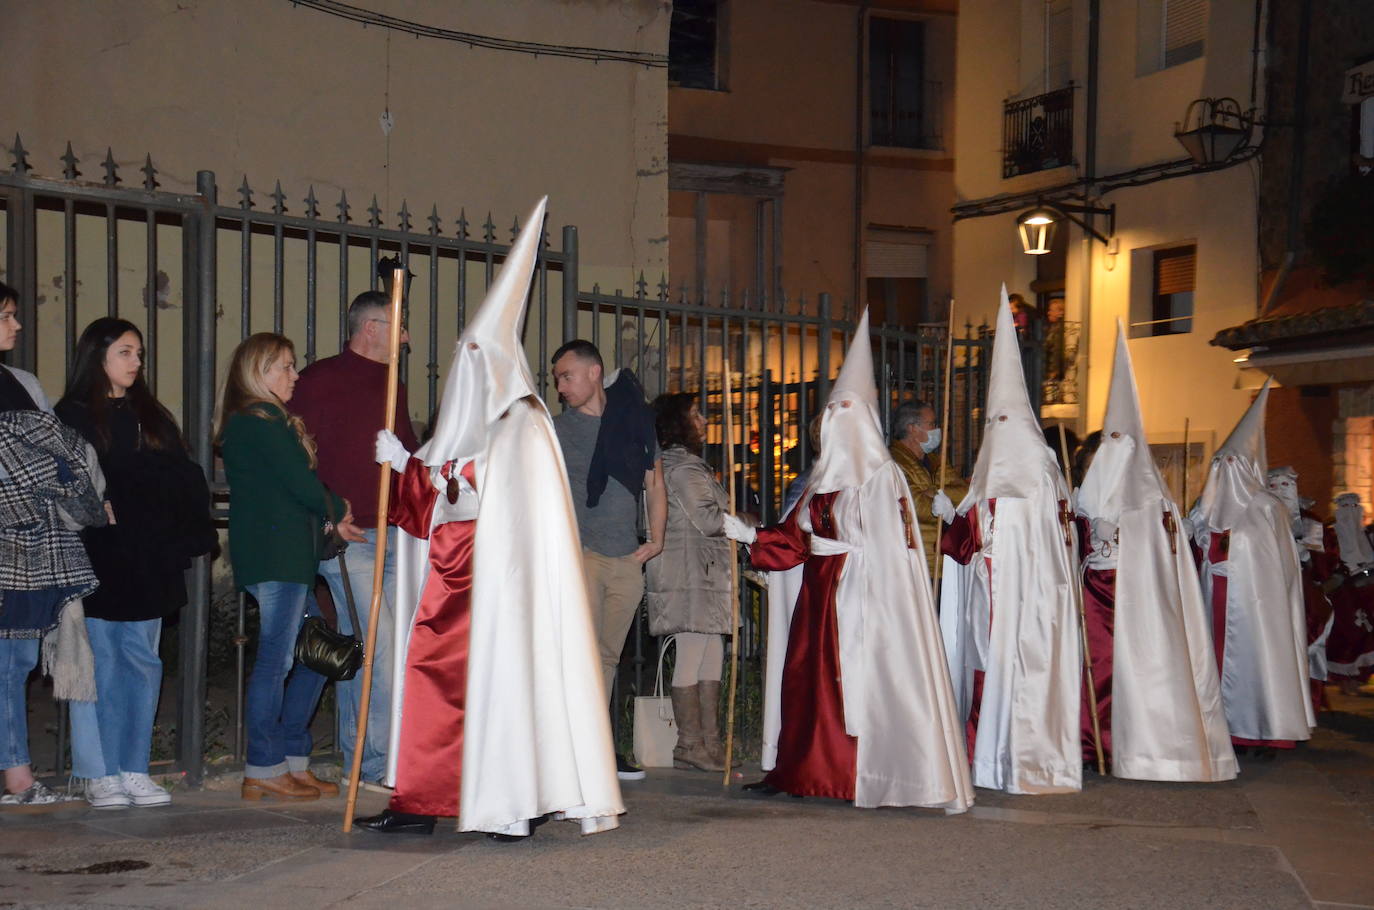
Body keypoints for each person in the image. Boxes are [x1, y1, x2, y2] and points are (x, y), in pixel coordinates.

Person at [356, 197, 623, 839]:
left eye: (474, 354)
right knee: (431, 685)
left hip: (497, 593)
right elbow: (434, 502)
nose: (464, 366)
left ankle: (508, 802)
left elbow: (482, 496)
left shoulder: (525, 424)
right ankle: (422, 799)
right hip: (450, 587)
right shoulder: (475, 424)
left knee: (503, 692)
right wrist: (412, 466)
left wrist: (421, 470)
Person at [724, 310, 973, 812]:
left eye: (845, 414)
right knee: (805, 681)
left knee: (856, 684)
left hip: (865, 599)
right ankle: (799, 769)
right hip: (820, 594)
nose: (835, 424)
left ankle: (858, 772)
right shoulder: (821, 481)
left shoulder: (884, 479)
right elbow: (796, 540)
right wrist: (749, 534)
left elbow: (894, 548)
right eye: (831, 415)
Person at [57, 319, 215, 809]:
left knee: (142, 663)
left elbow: (182, 471)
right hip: (99, 557)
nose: (136, 362)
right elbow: (69, 479)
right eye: (126, 352)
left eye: (139, 353)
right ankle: (98, 771)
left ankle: (133, 766)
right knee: (98, 663)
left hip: (148, 557)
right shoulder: (73, 414)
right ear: (98, 355)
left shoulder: (150, 413)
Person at [1072, 325, 1235, 781]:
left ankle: (1143, 745)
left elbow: (1165, 553)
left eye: (1122, 444)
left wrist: (1123, 533)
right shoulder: (1088, 490)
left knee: (1142, 667)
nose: (1114, 453)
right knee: (1096, 665)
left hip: (1138, 596)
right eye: (1109, 443)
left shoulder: (1153, 498)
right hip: (1095, 589)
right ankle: (1094, 741)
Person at [936, 286, 1083, 794]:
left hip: (1028, 601)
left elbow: (1044, 542)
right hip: (989, 593)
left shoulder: (1040, 475)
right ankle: (984, 755)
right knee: (984, 671)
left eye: (1005, 422)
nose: (997, 432)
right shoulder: (993, 474)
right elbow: (967, 541)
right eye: (992, 423)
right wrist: (953, 515)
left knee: (1019, 675)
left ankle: (1021, 760)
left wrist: (967, 524)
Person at [218, 332, 360, 801]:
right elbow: (298, 483)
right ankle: (263, 764)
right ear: (258, 371)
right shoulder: (255, 422)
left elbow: (294, 486)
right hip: (274, 556)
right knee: (276, 660)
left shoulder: (269, 420)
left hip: (291, 557)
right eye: (285, 365)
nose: (294, 374)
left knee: (318, 655)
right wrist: (338, 507)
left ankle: (293, 760)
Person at [290, 289, 419, 789]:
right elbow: (295, 458)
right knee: (379, 648)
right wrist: (324, 519)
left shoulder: (393, 385)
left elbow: (405, 454)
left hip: (395, 537)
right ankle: (374, 766)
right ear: (371, 328)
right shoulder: (321, 381)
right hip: (351, 540)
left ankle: (364, 760)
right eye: (398, 326)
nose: (405, 337)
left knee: (381, 652)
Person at [551, 338, 667, 781]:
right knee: (580, 653)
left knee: (606, 657)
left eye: (567, 376)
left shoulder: (634, 421)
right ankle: (580, 751)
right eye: (559, 379)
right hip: (582, 552)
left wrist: (656, 540)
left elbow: (654, 484)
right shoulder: (559, 430)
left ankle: (594, 747)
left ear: (594, 372)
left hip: (626, 556)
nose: (561, 386)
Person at [0, 282, 96, 809]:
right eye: (7, 316)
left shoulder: (23, 383)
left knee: (14, 662)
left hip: (30, 547)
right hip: (12, 532)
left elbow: (68, 457)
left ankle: (17, 776)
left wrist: (45, 471)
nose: (16, 326)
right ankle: (16, 776)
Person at [1188, 380, 1314, 754]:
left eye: (1232, 464)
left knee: (1258, 663)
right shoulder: (1204, 507)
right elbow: (1196, 544)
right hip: (1214, 597)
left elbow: (1279, 569)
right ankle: (1219, 726)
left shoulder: (1266, 508)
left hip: (1256, 607)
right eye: (1219, 463)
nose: (1224, 471)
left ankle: (1261, 726)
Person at [645, 393, 731, 773]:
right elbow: (710, 519)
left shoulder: (683, 465)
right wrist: (741, 518)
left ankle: (709, 742)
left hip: (701, 573)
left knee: (710, 653)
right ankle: (689, 743)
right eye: (695, 413)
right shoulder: (683, 467)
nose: (704, 420)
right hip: (690, 575)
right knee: (693, 653)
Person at [889, 399, 968, 575]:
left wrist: (934, 492)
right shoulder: (893, 463)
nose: (937, 430)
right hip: (915, 563)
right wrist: (943, 503)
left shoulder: (935, 460)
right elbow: (916, 507)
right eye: (931, 424)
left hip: (944, 560)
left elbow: (965, 494)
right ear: (913, 429)